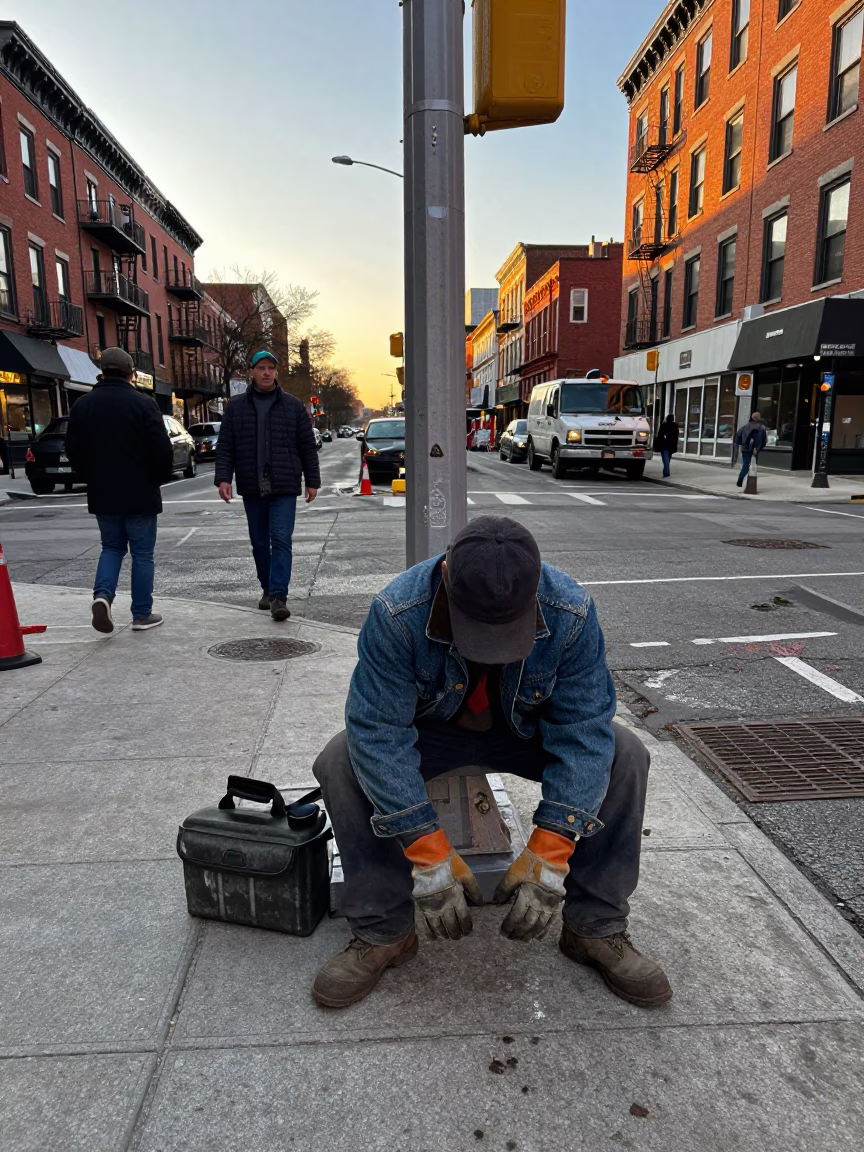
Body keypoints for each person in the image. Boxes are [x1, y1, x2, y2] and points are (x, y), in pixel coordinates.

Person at [312, 516, 671, 1010]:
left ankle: (594, 927)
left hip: (522, 732)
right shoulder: (398, 612)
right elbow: (379, 733)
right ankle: (384, 932)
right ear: (445, 580)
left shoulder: (570, 612)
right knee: (340, 758)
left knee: (625, 753)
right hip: (432, 734)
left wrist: (551, 849)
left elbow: (583, 731)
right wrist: (427, 849)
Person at [65, 346, 173, 633]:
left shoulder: (83, 406)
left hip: (103, 492)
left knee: (111, 548)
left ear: (103, 372)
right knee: (142, 554)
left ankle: (102, 596)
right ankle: (141, 614)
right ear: (131, 374)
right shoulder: (144, 404)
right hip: (140, 492)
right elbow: (162, 450)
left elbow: (73, 451)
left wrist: (91, 476)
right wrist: (157, 478)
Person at [215, 350, 320, 620]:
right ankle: (267, 587)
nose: (266, 372)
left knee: (281, 540)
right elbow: (226, 446)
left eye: (271, 368)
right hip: (252, 485)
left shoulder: (292, 405)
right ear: (251, 371)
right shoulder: (236, 407)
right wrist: (224, 478)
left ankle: (278, 596)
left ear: (276, 372)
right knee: (259, 542)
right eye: (260, 367)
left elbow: (307, 446)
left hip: (284, 485)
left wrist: (312, 481)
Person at [735, 411, 768, 487]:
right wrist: (757, 448)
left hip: (744, 449)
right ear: (758, 418)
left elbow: (737, 437)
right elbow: (763, 441)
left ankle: (745, 481)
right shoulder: (761, 428)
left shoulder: (745, 426)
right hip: (754, 450)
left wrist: (743, 444)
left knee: (746, 464)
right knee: (750, 466)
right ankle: (741, 481)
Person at [654, 412, 679, 477]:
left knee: (665, 460)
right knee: (668, 459)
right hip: (671, 445)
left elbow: (659, 435)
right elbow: (676, 436)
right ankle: (666, 471)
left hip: (664, 445)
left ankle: (666, 473)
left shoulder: (664, 425)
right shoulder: (675, 425)